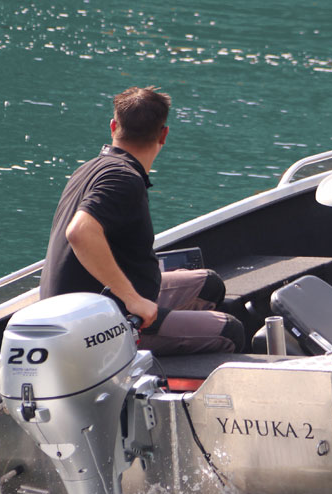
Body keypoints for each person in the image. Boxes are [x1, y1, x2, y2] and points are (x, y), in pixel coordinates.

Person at [39, 86, 243, 355]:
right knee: (232, 330)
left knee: (209, 284)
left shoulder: (88, 169)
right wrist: (133, 299)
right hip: (97, 326)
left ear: (114, 127)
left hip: (76, 307)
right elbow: (80, 232)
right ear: (164, 135)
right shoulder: (123, 179)